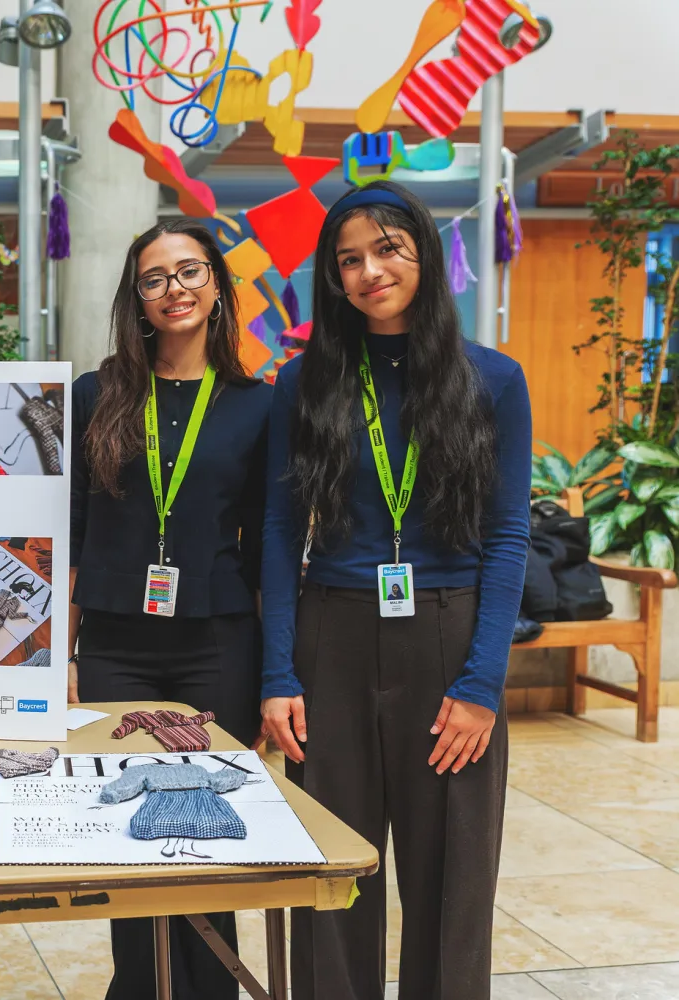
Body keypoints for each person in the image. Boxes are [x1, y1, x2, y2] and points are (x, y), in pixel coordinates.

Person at [259, 180, 531, 1000]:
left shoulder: (492, 379)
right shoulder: (303, 382)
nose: (370, 271)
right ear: (333, 277)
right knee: (331, 869)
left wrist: (481, 686)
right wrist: (278, 675)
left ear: (424, 255)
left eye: (387, 249)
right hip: (332, 638)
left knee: (452, 877)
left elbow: (507, 537)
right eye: (349, 260)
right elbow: (279, 533)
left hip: (448, 639)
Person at [69, 218, 270, 1000]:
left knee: (211, 830)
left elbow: (265, 545)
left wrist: (278, 672)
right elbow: (74, 535)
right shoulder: (97, 395)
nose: (174, 289)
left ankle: (213, 990)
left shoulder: (256, 405)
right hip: (115, 646)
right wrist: (61, 659)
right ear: (138, 298)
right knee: (130, 833)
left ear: (217, 284)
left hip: (218, 645)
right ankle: (141, 988)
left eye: (189, 271)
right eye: (154, 278)